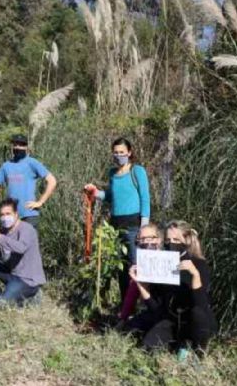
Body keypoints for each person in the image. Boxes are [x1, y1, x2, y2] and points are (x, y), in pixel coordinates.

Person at [122, 220, 216, 356]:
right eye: (168, 240)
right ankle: (179, 343)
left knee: (198, 314)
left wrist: (195, 275)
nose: (171, 243)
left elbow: (201, 305)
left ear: (187, 240)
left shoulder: (199, 264)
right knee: (146, 347)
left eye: (176, 240)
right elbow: (156, 309)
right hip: (171, 320)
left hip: (195, 321)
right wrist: (140, 284)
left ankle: (197, 351)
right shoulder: (162, 264)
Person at [84, 137, 151, 300]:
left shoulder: (137, 171)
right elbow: (111, 196)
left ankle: (141, 304)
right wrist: (95, 193)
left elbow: (145, 198)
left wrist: (144, 227)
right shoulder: (112, 173)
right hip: (115, 226)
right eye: (116, 152)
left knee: (135, 266)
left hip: (134, 225)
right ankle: (125, 305)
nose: (119, 155)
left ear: (129, 152)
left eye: (122, 152)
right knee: (121, 268)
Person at [0, 134, 56, 230]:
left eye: (21, 144)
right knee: (9, 244)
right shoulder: (6, 166)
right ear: (12, 146)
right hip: (11, 216)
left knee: (27, 244)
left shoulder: (32, 163)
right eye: (16, 144)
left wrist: (40, 202)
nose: (18, 147)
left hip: (29, 214)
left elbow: (52, 181)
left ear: (26, 147)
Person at [118, 223, 164, 321]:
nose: (145, 242)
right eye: (142, 239)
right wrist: (123, 319)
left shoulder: (168, 260)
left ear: (158, 240)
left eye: (149, 238)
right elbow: (132, 294)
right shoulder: (142, 264)